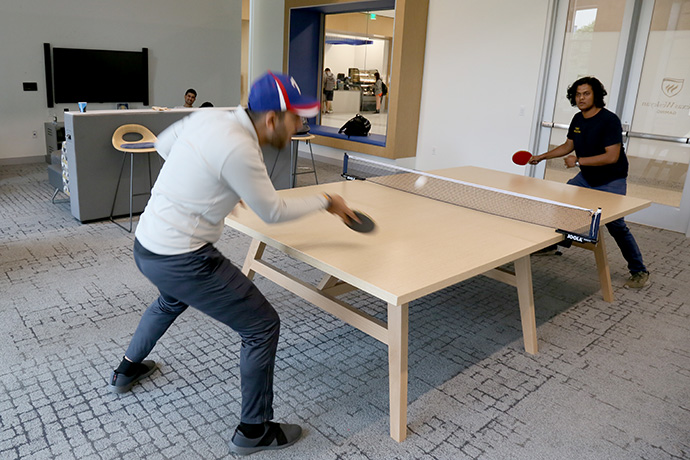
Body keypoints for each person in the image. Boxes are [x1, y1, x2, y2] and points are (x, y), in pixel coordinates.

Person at [106, 71, 358, 455]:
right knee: (261, 325)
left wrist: (213, 180)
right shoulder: (240, 147)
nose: (299, 128)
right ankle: (253, 430)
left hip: (147, 245)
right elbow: (271, 212)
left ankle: (126, 369)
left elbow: (162, 146)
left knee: (171, 301)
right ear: (272, 120)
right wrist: (327, 201)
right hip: (184, 258)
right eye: (297, 120)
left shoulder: (212, 117)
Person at [529, 76, 650, 289]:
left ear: (596, 95)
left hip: (611, 180)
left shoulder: (609, 120)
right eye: (577, 94)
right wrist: (542, 156)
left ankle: (639, 270)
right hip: (586, 178)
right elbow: (568, 146)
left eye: (586, 93)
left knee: (616, 226)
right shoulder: (578, 119)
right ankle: (556, 244)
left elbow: (612, 156)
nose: (581, 98)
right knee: (563, 205)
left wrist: (578, 160)